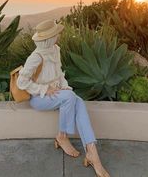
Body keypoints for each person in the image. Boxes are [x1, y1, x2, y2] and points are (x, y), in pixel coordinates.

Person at [16, 19, 111, 177]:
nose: (58, 36)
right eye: (56, 34)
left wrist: (64, 86)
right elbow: (21, 82)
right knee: (70, 98)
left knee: (77, 100)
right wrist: (44, 89)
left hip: (57, 93)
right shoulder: (36, 57)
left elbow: (59, 74)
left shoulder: (55, 49)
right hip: (38, 98)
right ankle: (62, 136)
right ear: (49, 38)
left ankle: (92, 153)